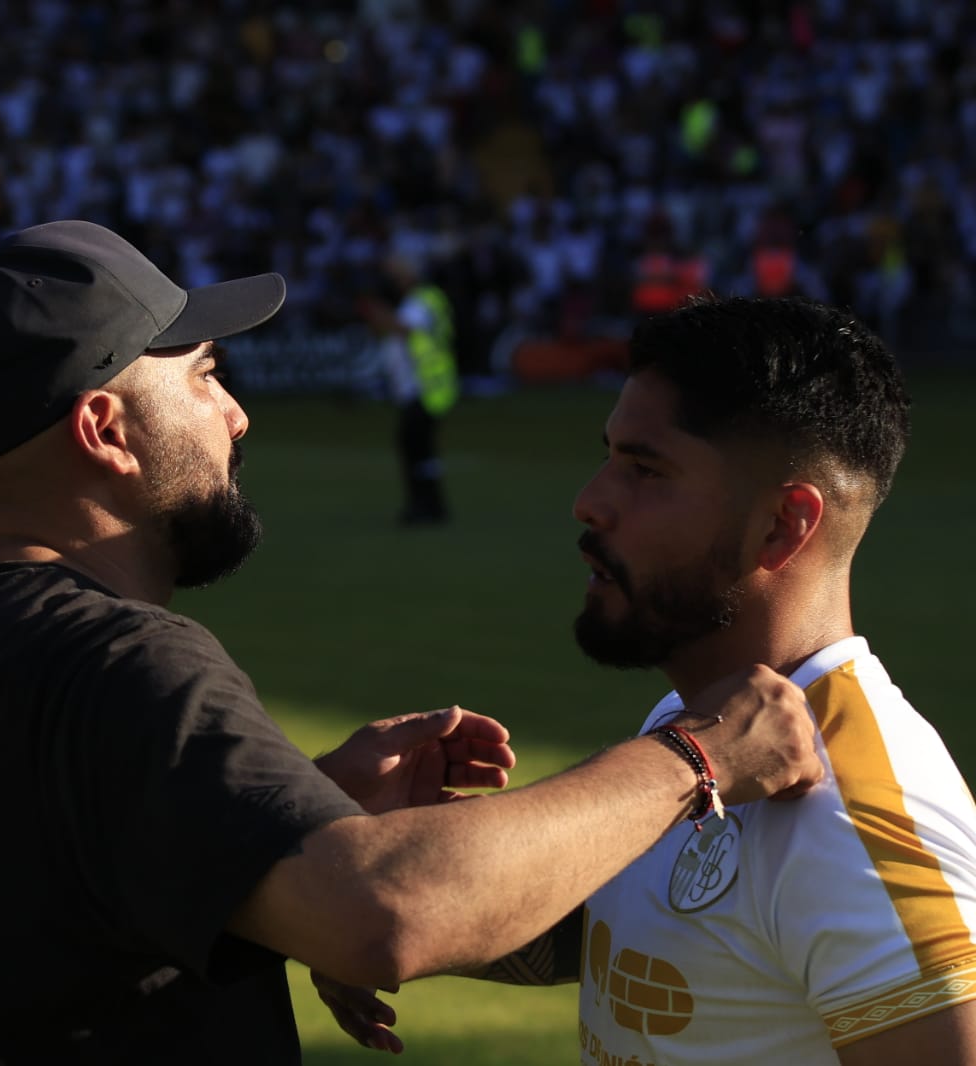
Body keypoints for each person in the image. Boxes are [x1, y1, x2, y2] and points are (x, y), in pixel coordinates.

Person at [0, 220, 825, 1065]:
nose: (236, 414)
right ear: (104, 429)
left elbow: (56, 922)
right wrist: (695, 754)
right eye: (205, 376)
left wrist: (294, 813)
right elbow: (385, 915)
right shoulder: (122, 663)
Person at [318, 297, 976, 1062]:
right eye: (610, 457)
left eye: (645, 470)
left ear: (782, 526)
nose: (590, 500)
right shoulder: (696, 728)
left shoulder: (861, 818)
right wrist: (375, 881)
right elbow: (624, 932)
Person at [379, 255, 458, 525]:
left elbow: (403, 328)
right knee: (421, 448)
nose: (395, 282)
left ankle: (423, 505)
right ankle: (432, 503)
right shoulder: (430, 298)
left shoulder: (420, 300)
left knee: (414, 447)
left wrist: (374, 312)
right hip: (429, 385)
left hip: (424, 387)